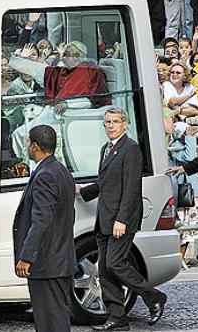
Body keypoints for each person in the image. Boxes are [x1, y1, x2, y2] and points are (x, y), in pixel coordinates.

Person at [79, 107, 167, 330]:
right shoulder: (106, 149)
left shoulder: (131, 149)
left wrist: (122, 220)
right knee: (105, 270)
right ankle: (117, 317)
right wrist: (82, 191)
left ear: (125, 124)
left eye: (115, 121)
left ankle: (154, 296)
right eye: (107, 122)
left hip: (120, 220)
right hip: (104, 219)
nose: (110, 125)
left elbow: (131, 188)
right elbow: (105, 182)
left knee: (115, 263)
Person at [13, 125, 75, 332]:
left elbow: (41, 220)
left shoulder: (45, 175)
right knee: (55, 318)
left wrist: (27, 256)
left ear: (36, 146)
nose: (28, 148)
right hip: (59, 258)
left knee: (51, 321)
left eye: (30, 144)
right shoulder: (60, 170)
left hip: (47, 263)